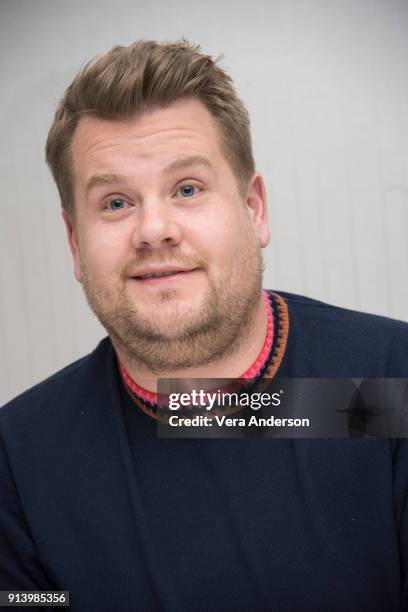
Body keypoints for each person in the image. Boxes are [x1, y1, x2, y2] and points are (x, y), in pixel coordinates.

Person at [1, 38, 408, 612]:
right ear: (75, 242)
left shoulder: (391, 384)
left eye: (187, 189)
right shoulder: (19, 460)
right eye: (115, 202)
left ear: (254, 208)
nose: (154, 229)